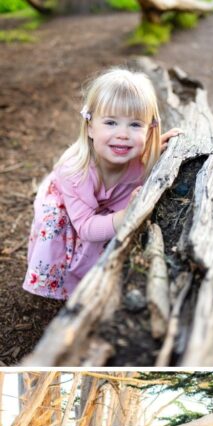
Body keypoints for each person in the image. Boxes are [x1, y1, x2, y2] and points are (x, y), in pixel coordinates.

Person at [23, 68, 179, 301]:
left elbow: (149, 150)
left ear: (149, 131)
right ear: (90, 127)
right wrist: (125, 216)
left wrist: (158, 148)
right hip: (70, 206)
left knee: (109, 232)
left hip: (104, 207)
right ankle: (66, 286)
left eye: (135, 125)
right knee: (59, 225)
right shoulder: (75, 171)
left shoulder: (141, 159)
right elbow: (85, 227)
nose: (123, 134)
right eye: (111, 122)